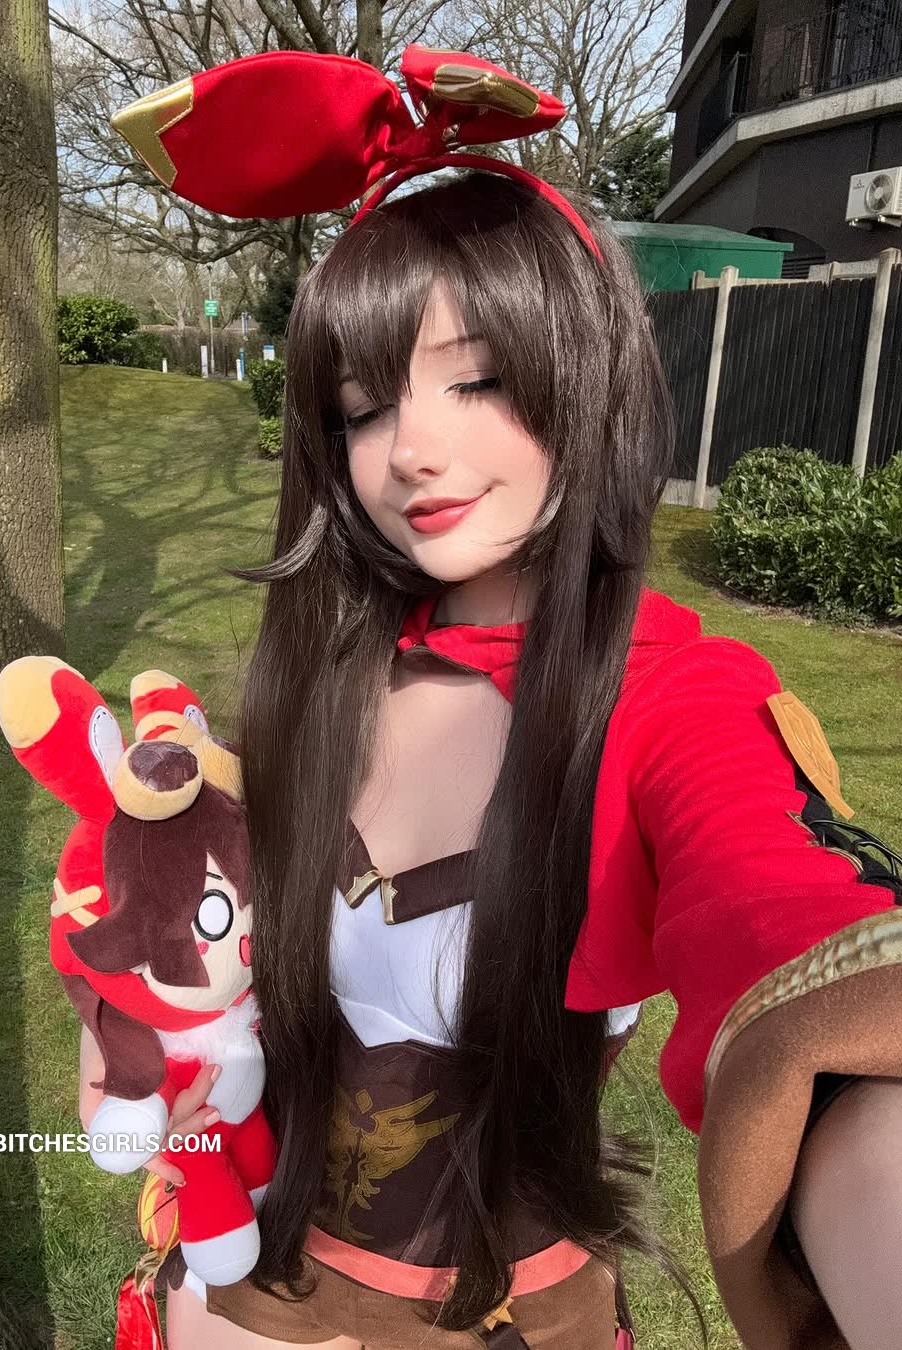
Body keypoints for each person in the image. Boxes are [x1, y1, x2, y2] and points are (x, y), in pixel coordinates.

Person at [91, 47, 902, 1350]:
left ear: (584, 378)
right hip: (239, 1286)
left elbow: (808, 959)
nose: (412, 448)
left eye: (475, 378)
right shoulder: (317, 678)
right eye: (363, 407)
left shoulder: (672, 703)